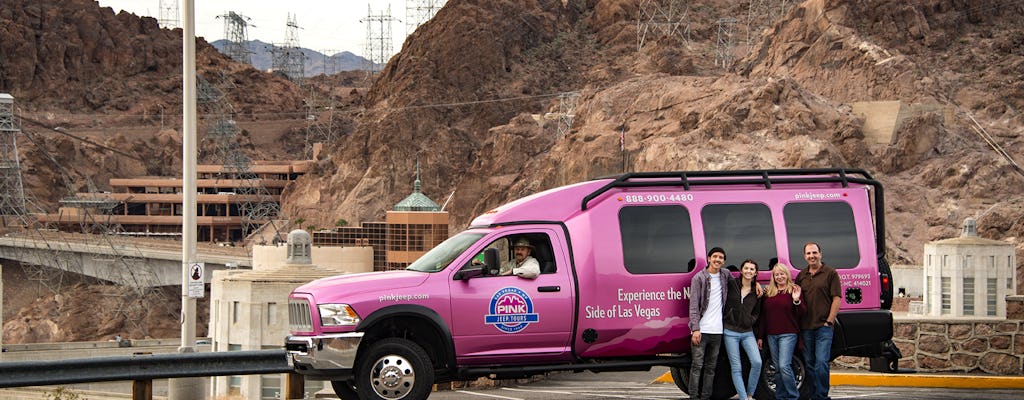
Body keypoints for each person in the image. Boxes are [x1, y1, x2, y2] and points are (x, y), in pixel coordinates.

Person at [795, 242, 841, 400]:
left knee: (821, 363)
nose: (811, 256)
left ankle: (821, 396)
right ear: (804, 256)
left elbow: (837, 298)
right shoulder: (802, 275)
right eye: (808, 254)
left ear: (820, 254)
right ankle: (813, 395)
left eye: (814, 253)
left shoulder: (830, 273)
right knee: (809, 364)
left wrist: (829, 322)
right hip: (806, 327)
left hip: (823, 327)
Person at [687, 247, 731, 400]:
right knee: (697, 366)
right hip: (702, 330)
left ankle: (706, 397)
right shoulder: (699, 278)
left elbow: (740, 285)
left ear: (724, 261)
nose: (718, 260)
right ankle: (693, 396)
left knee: (711, 368)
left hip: (717, 332)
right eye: (715, 257)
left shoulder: (725, 275)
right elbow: (693, 305)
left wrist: (756, 285)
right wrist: (695, 329)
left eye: (721, 257)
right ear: (709, 258)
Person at [758, 263, 805, 400]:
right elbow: (764, 317)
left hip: (788, 334)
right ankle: (780, 395)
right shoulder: (769, 292)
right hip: (771, 335)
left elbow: (803, 313)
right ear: (773, 276)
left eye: (782, 274)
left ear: (787, 275)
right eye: (777, 274)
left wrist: (796, 300)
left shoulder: (793, 290)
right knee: (777, 367)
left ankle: (792, 396)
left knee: (784, 365)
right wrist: (760, 336)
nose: (779, 277)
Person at [723, 259, 763, 400]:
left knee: (757, 362)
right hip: (729, 332)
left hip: (747, 332)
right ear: (741, 270)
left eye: (752, 269)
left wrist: (750, 321)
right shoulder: (731, 284)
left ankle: (750, 394)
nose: (748, 271)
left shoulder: (757, 292)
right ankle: (743, 398)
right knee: (736, 367)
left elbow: (757, 313)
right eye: (746, 268)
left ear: (756, 273)